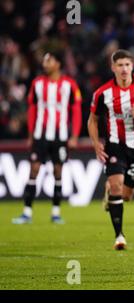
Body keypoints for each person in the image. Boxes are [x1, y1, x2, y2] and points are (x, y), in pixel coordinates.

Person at [88, 49, 134, 250]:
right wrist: (95, 144)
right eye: (120, 65)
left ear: (132, 66)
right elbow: (93, 120)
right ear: (113, 67)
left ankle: (110, 192)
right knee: (117, 187)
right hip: (114, 145)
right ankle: (119, 236)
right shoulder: (103, 93)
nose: (124, 69)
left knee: (126, 196)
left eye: (127, 65)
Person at [12, 51, 82, 225]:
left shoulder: (70, 85)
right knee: (34, 170)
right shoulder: (37, 84)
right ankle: (27, 212)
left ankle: (56, 212)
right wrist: (30, 135)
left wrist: (74, 136)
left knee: (58, 172)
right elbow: (32, 111)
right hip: (40, 135)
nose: (45, 64)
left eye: (48, 60)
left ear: (58, 64)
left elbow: (76, 111)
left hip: (61, 136)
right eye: (44, 61)